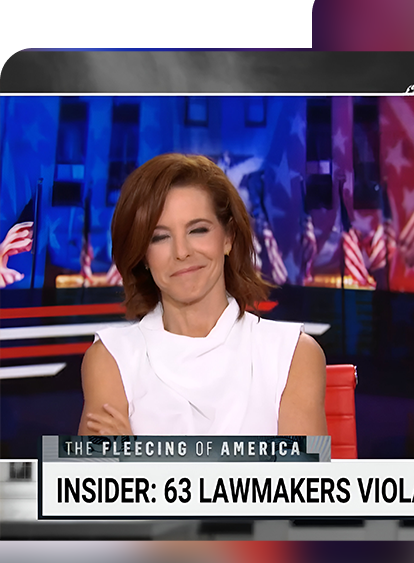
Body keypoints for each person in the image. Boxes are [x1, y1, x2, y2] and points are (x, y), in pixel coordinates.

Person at [78, 154, 328, 436]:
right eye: (159, 237)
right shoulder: (111, 358)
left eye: (198, 230)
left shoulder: (293, 354)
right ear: (143, 255)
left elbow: (304, 480)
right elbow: (91, 480)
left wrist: (139, 459)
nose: (182, 252)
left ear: (228, 237)